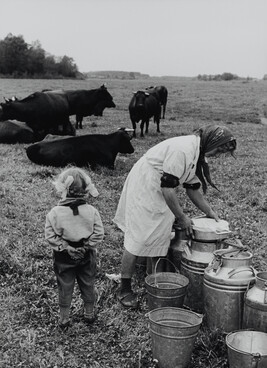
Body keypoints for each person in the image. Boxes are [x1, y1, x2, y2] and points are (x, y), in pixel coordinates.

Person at [113, 124, 236, 309]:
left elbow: (192, 188)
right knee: (137, 238)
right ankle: (124, 288)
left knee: (159, 231)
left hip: (159, 189)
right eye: (218, 149)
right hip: (146, 186)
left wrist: (210, 212)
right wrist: (181, 216)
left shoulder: (197, 153)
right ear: (212, 141)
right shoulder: (183, 150)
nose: (217, 154)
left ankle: (151, 276)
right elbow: (167, 188)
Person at [45, 167, 104, 328]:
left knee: (65, 285)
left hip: (64, 255)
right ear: (86, 189)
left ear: (62, 189)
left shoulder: (55, 213)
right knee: (88, 283)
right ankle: (89, 313)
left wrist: (65, 246)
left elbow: (50, 236)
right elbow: (99, 233)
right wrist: (87, 246)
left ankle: (64, 318)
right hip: (86, 254)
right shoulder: (92, 211)